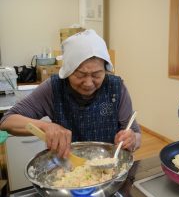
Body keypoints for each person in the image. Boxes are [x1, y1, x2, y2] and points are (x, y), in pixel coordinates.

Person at [0, 29, 141, 158]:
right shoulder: (53, 88)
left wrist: (132, 139)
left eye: (97, 74)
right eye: (80, 75)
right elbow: (7, 121)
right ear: (67, 71)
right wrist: (46, 126)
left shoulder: (116, 88)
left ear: (105, 70)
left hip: (108, 168)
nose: (88, 83)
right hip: (66, 169)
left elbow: (135, 133)